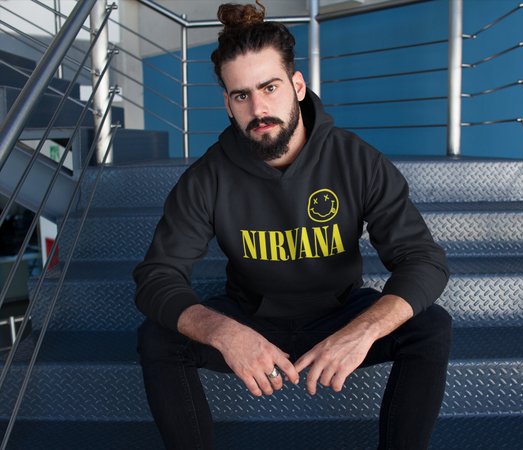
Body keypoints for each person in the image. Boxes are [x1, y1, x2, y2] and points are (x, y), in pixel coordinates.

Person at [134, 2, 452, 449]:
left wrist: (362, 331)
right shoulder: (208, 176)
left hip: (340, 314)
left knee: (430, 326)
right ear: (228, 104)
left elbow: (422, 260)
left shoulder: (356, 160)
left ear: (297, 86)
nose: (258, 108)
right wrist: (224, 332)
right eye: (241, 95)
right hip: (251, 319)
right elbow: (157, 276)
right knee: (157, 338)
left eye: (270, 87)